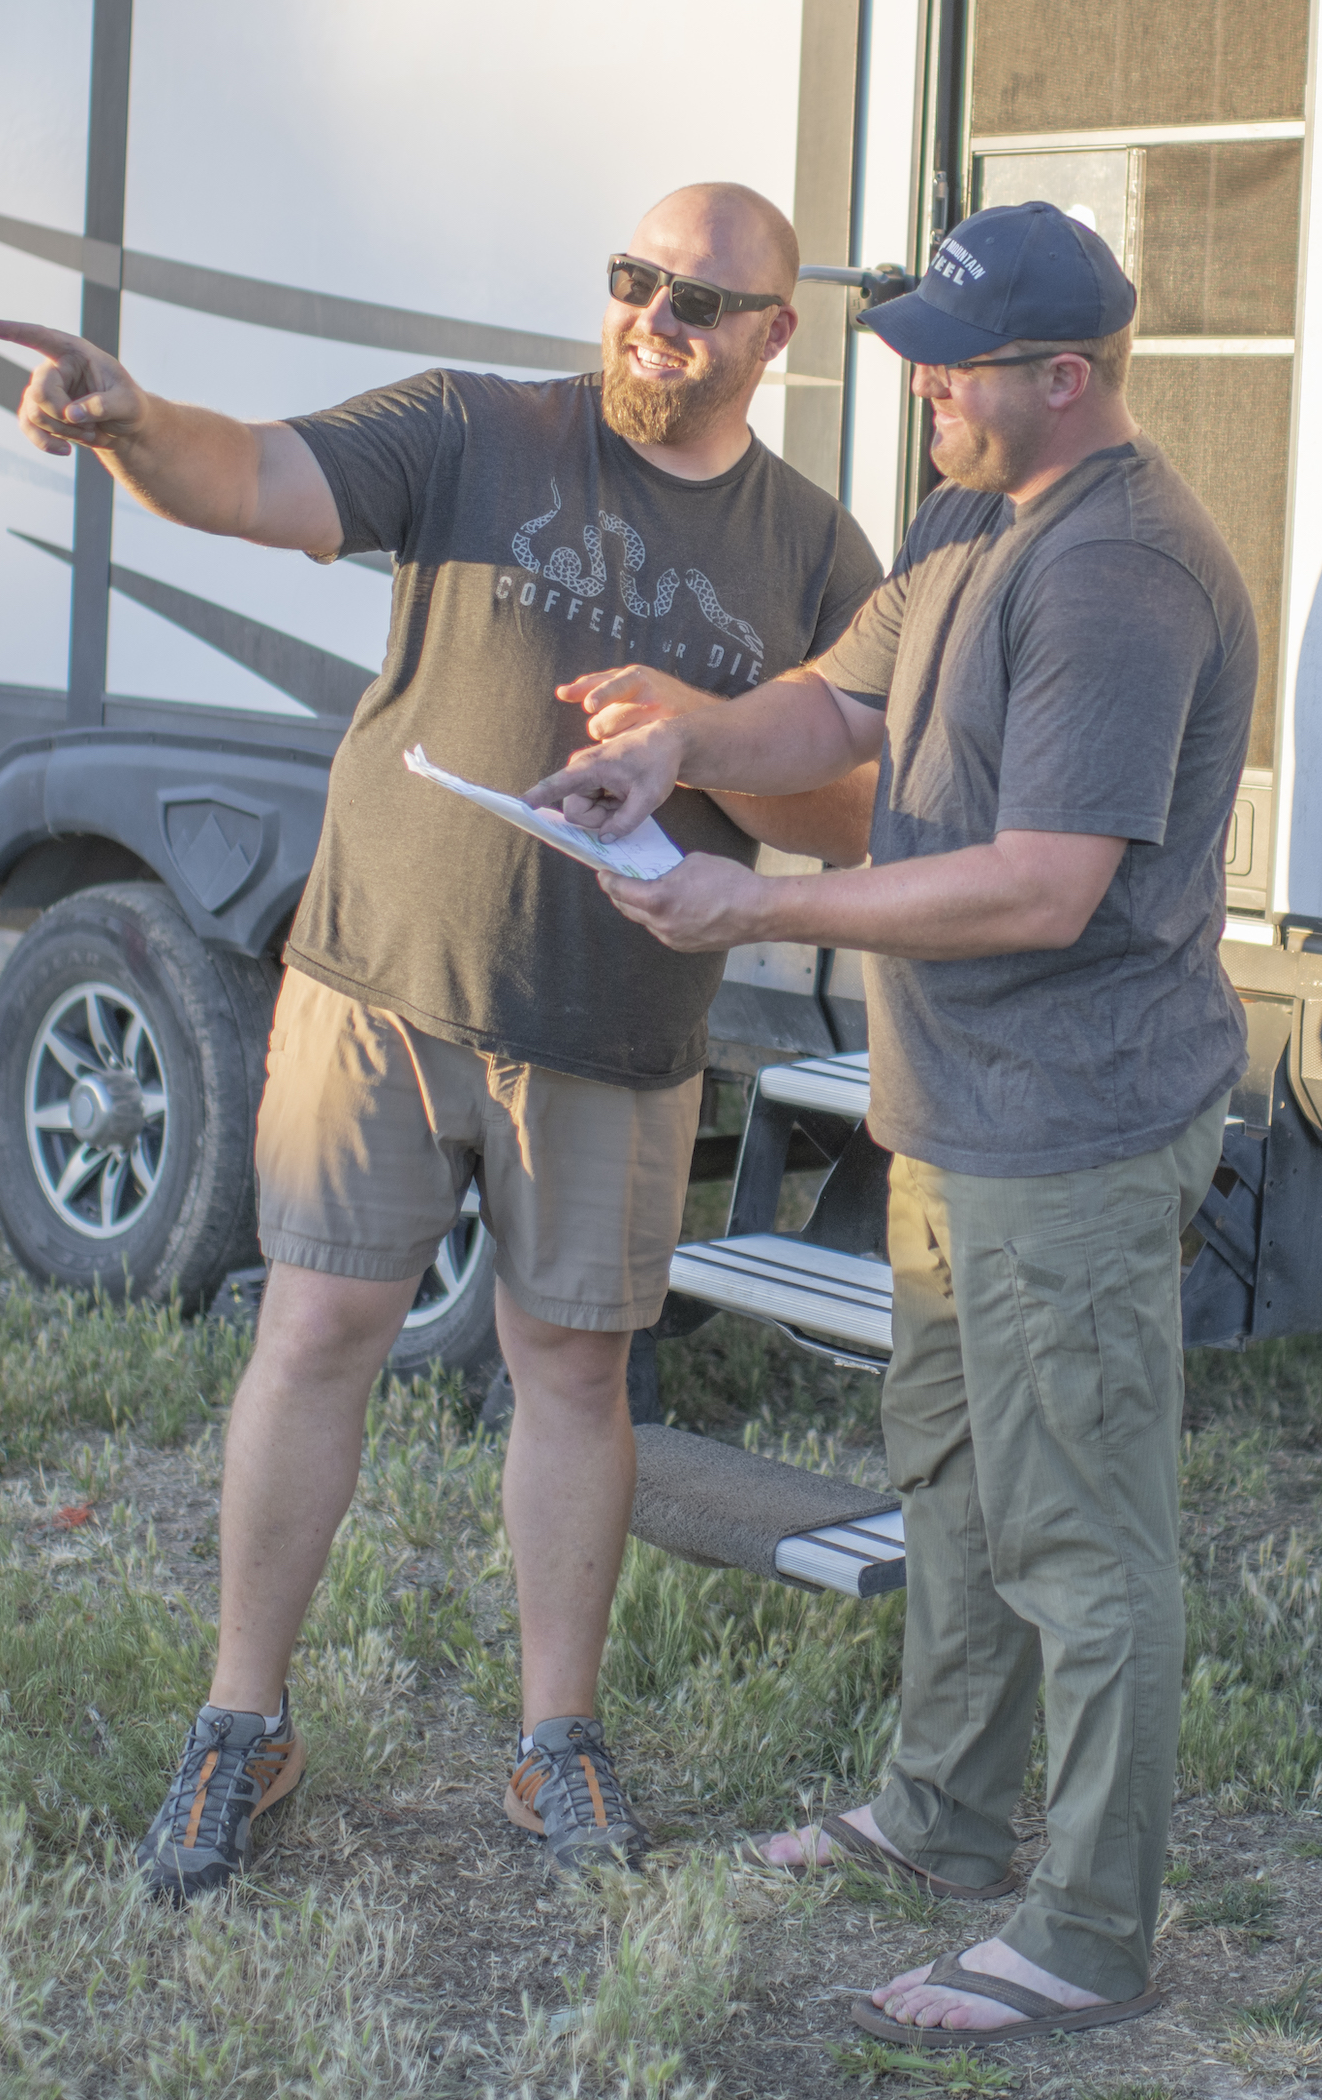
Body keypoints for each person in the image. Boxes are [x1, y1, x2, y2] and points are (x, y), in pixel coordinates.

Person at [0, 184, 883, 1898]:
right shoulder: (476, 431)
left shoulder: (812, 550)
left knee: (574, 1368)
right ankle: (241, 1726)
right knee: (316, 1327)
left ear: (777, 334)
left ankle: (555, 1748)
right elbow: (247, 474)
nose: (655, 322)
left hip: (617, 1028)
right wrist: (126, 421)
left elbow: (848, 815)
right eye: (635, 283)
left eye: (702, 302)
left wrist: (701, 739)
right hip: (383, 983)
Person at [528, 202, 1257, 2049]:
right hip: (959, 1112)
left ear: (1064, 378)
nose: (920, 381)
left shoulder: (1115, 572)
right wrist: (682, 746)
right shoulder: (962, 516)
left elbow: (1041, 886)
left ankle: (1088, 1931)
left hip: (1074, 1130)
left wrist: (754, 906)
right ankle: (940, 1817)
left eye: (957, 360)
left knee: (1079, 1535)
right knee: (952, 1477)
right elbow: (832, 701)